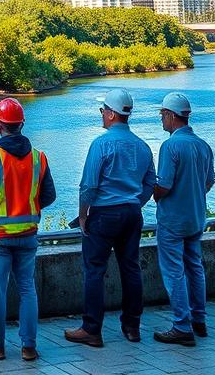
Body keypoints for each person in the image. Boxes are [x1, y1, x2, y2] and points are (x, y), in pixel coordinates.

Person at [64, 87, 156, 349]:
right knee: (131, 267)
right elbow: (150, 182)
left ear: (113, 114)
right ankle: (132, 327)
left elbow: (88, 186)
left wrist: (83, 216)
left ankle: (91, 329)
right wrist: (135, 202)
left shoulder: (100, 144)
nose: (102, 114)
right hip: (131, 213)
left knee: (94, 270)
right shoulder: (142, 145)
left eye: (103, 110)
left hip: (104, 215)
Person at [0, 97, 55, 361]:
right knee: (27, 289)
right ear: (20, 125)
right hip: (28, 235)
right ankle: (29, 347)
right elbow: (49, 196)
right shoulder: (39, 158)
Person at [152, 91, 215, 347]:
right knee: (195, 267)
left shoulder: (170, 146)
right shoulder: (203, 145)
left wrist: (152, 192)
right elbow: (209, 181)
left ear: (170, 116)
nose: (161, 120)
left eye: (162, 115)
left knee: (174, 271)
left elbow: (164, 186)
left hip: (172, 220)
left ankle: (181, 325)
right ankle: (199, 319)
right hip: (196, 217)